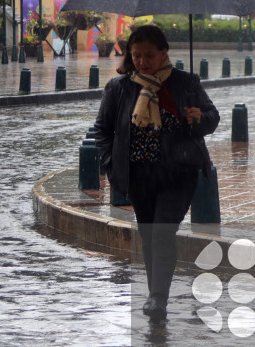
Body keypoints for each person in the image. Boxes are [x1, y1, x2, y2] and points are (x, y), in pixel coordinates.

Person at [94, 24, 219, 322]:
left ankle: (158, 298)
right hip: (139, 176)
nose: (142, 61)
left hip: (177, 174)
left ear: (164, 52)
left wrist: (198, 119)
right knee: (149, 236)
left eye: (149, 55)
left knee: (163, 232)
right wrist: (111, 165)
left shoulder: (185, 84)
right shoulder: (119, 87)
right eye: (136, 55)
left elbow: (212, 118)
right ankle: (154, 291)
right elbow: (102, 130)